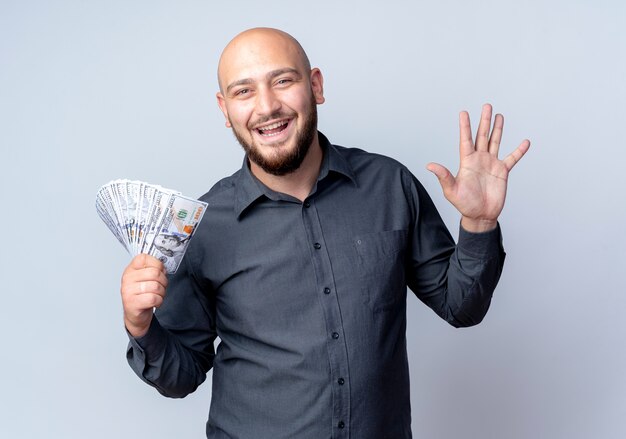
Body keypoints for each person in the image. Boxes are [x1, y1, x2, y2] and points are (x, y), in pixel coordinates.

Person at [120, 27, 530, 439]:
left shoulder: (389, 186)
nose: (267, 106)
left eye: (283, 80)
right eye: (243, 91)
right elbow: (181, 376)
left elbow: (461, 306)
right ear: (225, 109)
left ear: (315, 85)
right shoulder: (202, 226)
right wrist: (141, 326)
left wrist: (479, 225)